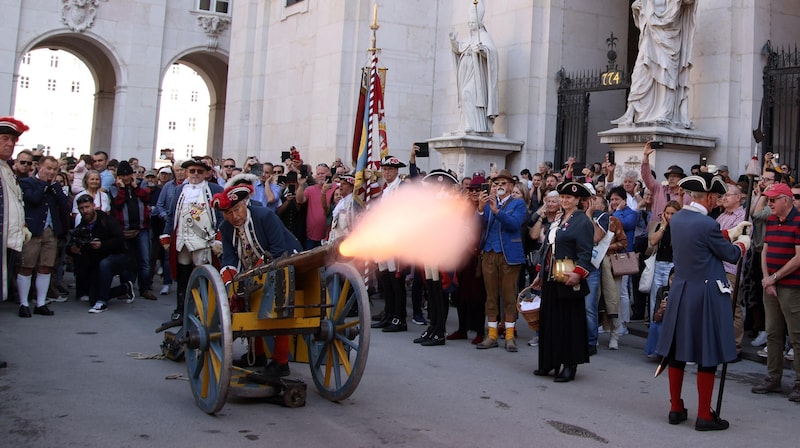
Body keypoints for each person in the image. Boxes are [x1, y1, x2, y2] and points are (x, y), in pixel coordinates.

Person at [655, 172, 750, 431]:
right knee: (707, 354)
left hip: (682, 290)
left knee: (676, 352)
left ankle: (676, 408)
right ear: (707, 196)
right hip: (706, 292)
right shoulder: (706, 224)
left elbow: (705, 241)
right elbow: (728, 253)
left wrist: (728, 232)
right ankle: (704, 416)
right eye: (716, 197)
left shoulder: (681, 219)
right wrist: (743, 242)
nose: (718, 201)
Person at [213, 183, 302, 376]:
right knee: (249, 301)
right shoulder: (226, 228)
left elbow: (278, 250)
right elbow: (229, 257)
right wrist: (230, 281)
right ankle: (257, 354)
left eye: (236, 209)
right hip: (253, 270)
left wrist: (254, 273)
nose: (234, 216)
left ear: (245, 203)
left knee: (277, 305)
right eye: (228, 213)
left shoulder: (265, 216)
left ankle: (280, 361)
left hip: (285, 262)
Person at [531, 181, 593, 382]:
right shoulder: (558, 219)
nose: (565, 201)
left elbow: (585, 252)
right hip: (551, 276)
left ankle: (569, 364)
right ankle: (549, 361)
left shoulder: (582, 221)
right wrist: (540, 274)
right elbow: (547, 249)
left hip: (567, 276)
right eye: (563, 197)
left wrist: (578, 272)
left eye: (569, 198)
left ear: (577, 200)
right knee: (550, 321)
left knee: (568, 323)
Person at [612, 0, 697, 128]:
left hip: (669, 38)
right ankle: (631, 112)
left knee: (667, 75)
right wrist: (637, 7)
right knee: (639, 74)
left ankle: (666, 113)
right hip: (650, 37)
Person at [751, 183, 800, 402]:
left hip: (792, 287)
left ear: (786, 200)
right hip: (771, 284)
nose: (769, 204)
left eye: (773, 200)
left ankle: (799, 382)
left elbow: (798, 258)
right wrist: (766, 278)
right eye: (768, 200)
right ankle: (773, 377)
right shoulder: (772, 219)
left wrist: (774, 277)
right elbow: (765, 250)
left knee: (797, 335)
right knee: (772, 332)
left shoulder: (798, 221)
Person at [160, 157, 224, 322]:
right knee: (183, 277)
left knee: (204, 276)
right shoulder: (179, 190)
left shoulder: (214, 189)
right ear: (186, 172)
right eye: (192, 171)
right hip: (183, 240)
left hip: (203, 241)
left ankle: (204, 312)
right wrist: (166, 234)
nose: (195, 174)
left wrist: (219, 238)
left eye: (199, 171)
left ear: (206, 173)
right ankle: (181, 310)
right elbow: (172, 214)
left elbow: (221, 217)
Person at [475, 169, 527, 352]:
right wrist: (481, 209)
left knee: (508, 295)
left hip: (509, 255)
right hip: (489, 253)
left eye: (503, 184)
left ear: (511, 186)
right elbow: (477, 228)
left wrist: (497, 211)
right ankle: (491, 335)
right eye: (496, 184)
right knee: (490, 296)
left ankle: (510, 336)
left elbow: (514, 224)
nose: (499, 187)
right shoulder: (489, 203)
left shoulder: (518, 203)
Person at [17, 155, 70, 317]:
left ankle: (41, 303)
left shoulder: (55, 185)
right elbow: (33, 199)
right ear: (39, 167)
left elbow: (64, 204)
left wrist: (55, 185)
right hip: (33, 229)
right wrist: (43, 184)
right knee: (27, 266)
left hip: (51, 230)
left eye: (54, 169)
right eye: (48, 168)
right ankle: (24, 303)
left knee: (45, 267)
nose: (51, 172)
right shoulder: (28, 182)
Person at [71, 194, 135, 313]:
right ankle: (124, 288)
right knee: (92, 298)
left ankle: (102, 301)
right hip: (97, 259)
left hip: (118, 256)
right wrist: (75, 249)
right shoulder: (82, 225)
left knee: (105, 264)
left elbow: (120, 240)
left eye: (87, 207)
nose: (85, 211)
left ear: (94, 206)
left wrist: (102, 244)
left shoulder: (107, 220)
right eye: (82, 208)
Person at [449, 0, 498, 134]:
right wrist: (453, 41)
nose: (470, 25)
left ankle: (475, 125)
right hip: (465, 74)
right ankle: (465, 124)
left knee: (468, 94)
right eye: (469, 23)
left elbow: (492, 52)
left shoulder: (484, 36)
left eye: (473, 23)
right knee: (465, 97)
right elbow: (459, 49)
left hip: (476, 76)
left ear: (479, 23)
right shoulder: (469, 38)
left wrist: (483, 51)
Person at [110, 161, 156, 301]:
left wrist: (135, 187)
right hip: (124, 229)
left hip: (142, 228)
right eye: (122, 175)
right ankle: (126, 288)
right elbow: (117, 203)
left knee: (144, 259)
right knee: (126, 260)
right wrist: (123, 189)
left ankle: (145, 288)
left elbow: (147, 197)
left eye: (128, 174)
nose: (125, 178)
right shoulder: (114, 188)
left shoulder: (139, 186)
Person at [715, 185, 746, 359]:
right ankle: (721, 344)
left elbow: (730, 242)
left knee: (733, 308)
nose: (724, 197)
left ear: (738, 197)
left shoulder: (742, 218)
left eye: (728, 194)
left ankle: (735, 347)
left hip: (731, 268)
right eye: (723, 194)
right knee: (719, 307)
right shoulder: (721, 216)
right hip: (717, 267)